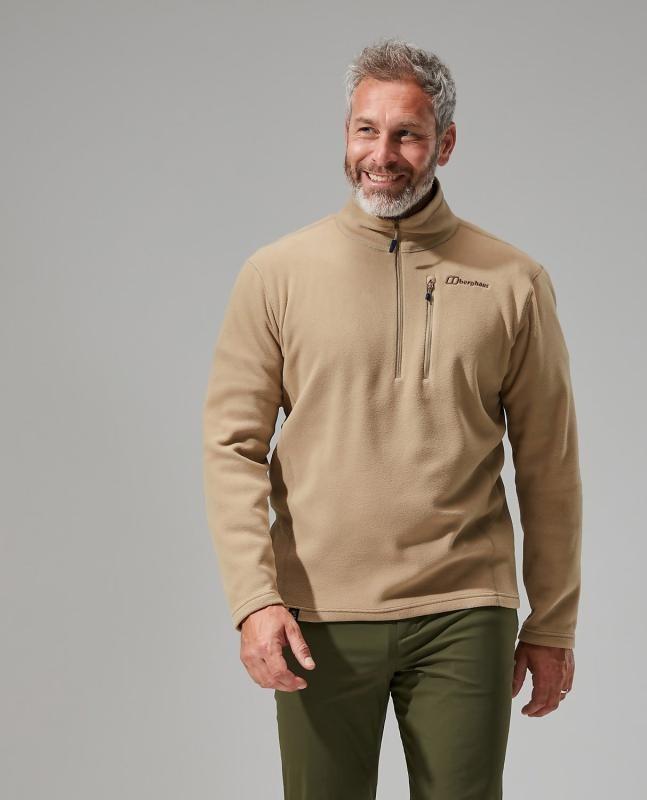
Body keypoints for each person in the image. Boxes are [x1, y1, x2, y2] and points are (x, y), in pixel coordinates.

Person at [202, 36, 583, 800]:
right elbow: (231, 446)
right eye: (366, 130)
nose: (382, 154)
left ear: (446, 143)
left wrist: (553, 621)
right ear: (346, 133)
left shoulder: (514, 282)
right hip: (317, 614)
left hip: (463, 609)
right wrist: (254, 599)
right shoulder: (276, 275)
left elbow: (549, 464)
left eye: (407, 134)